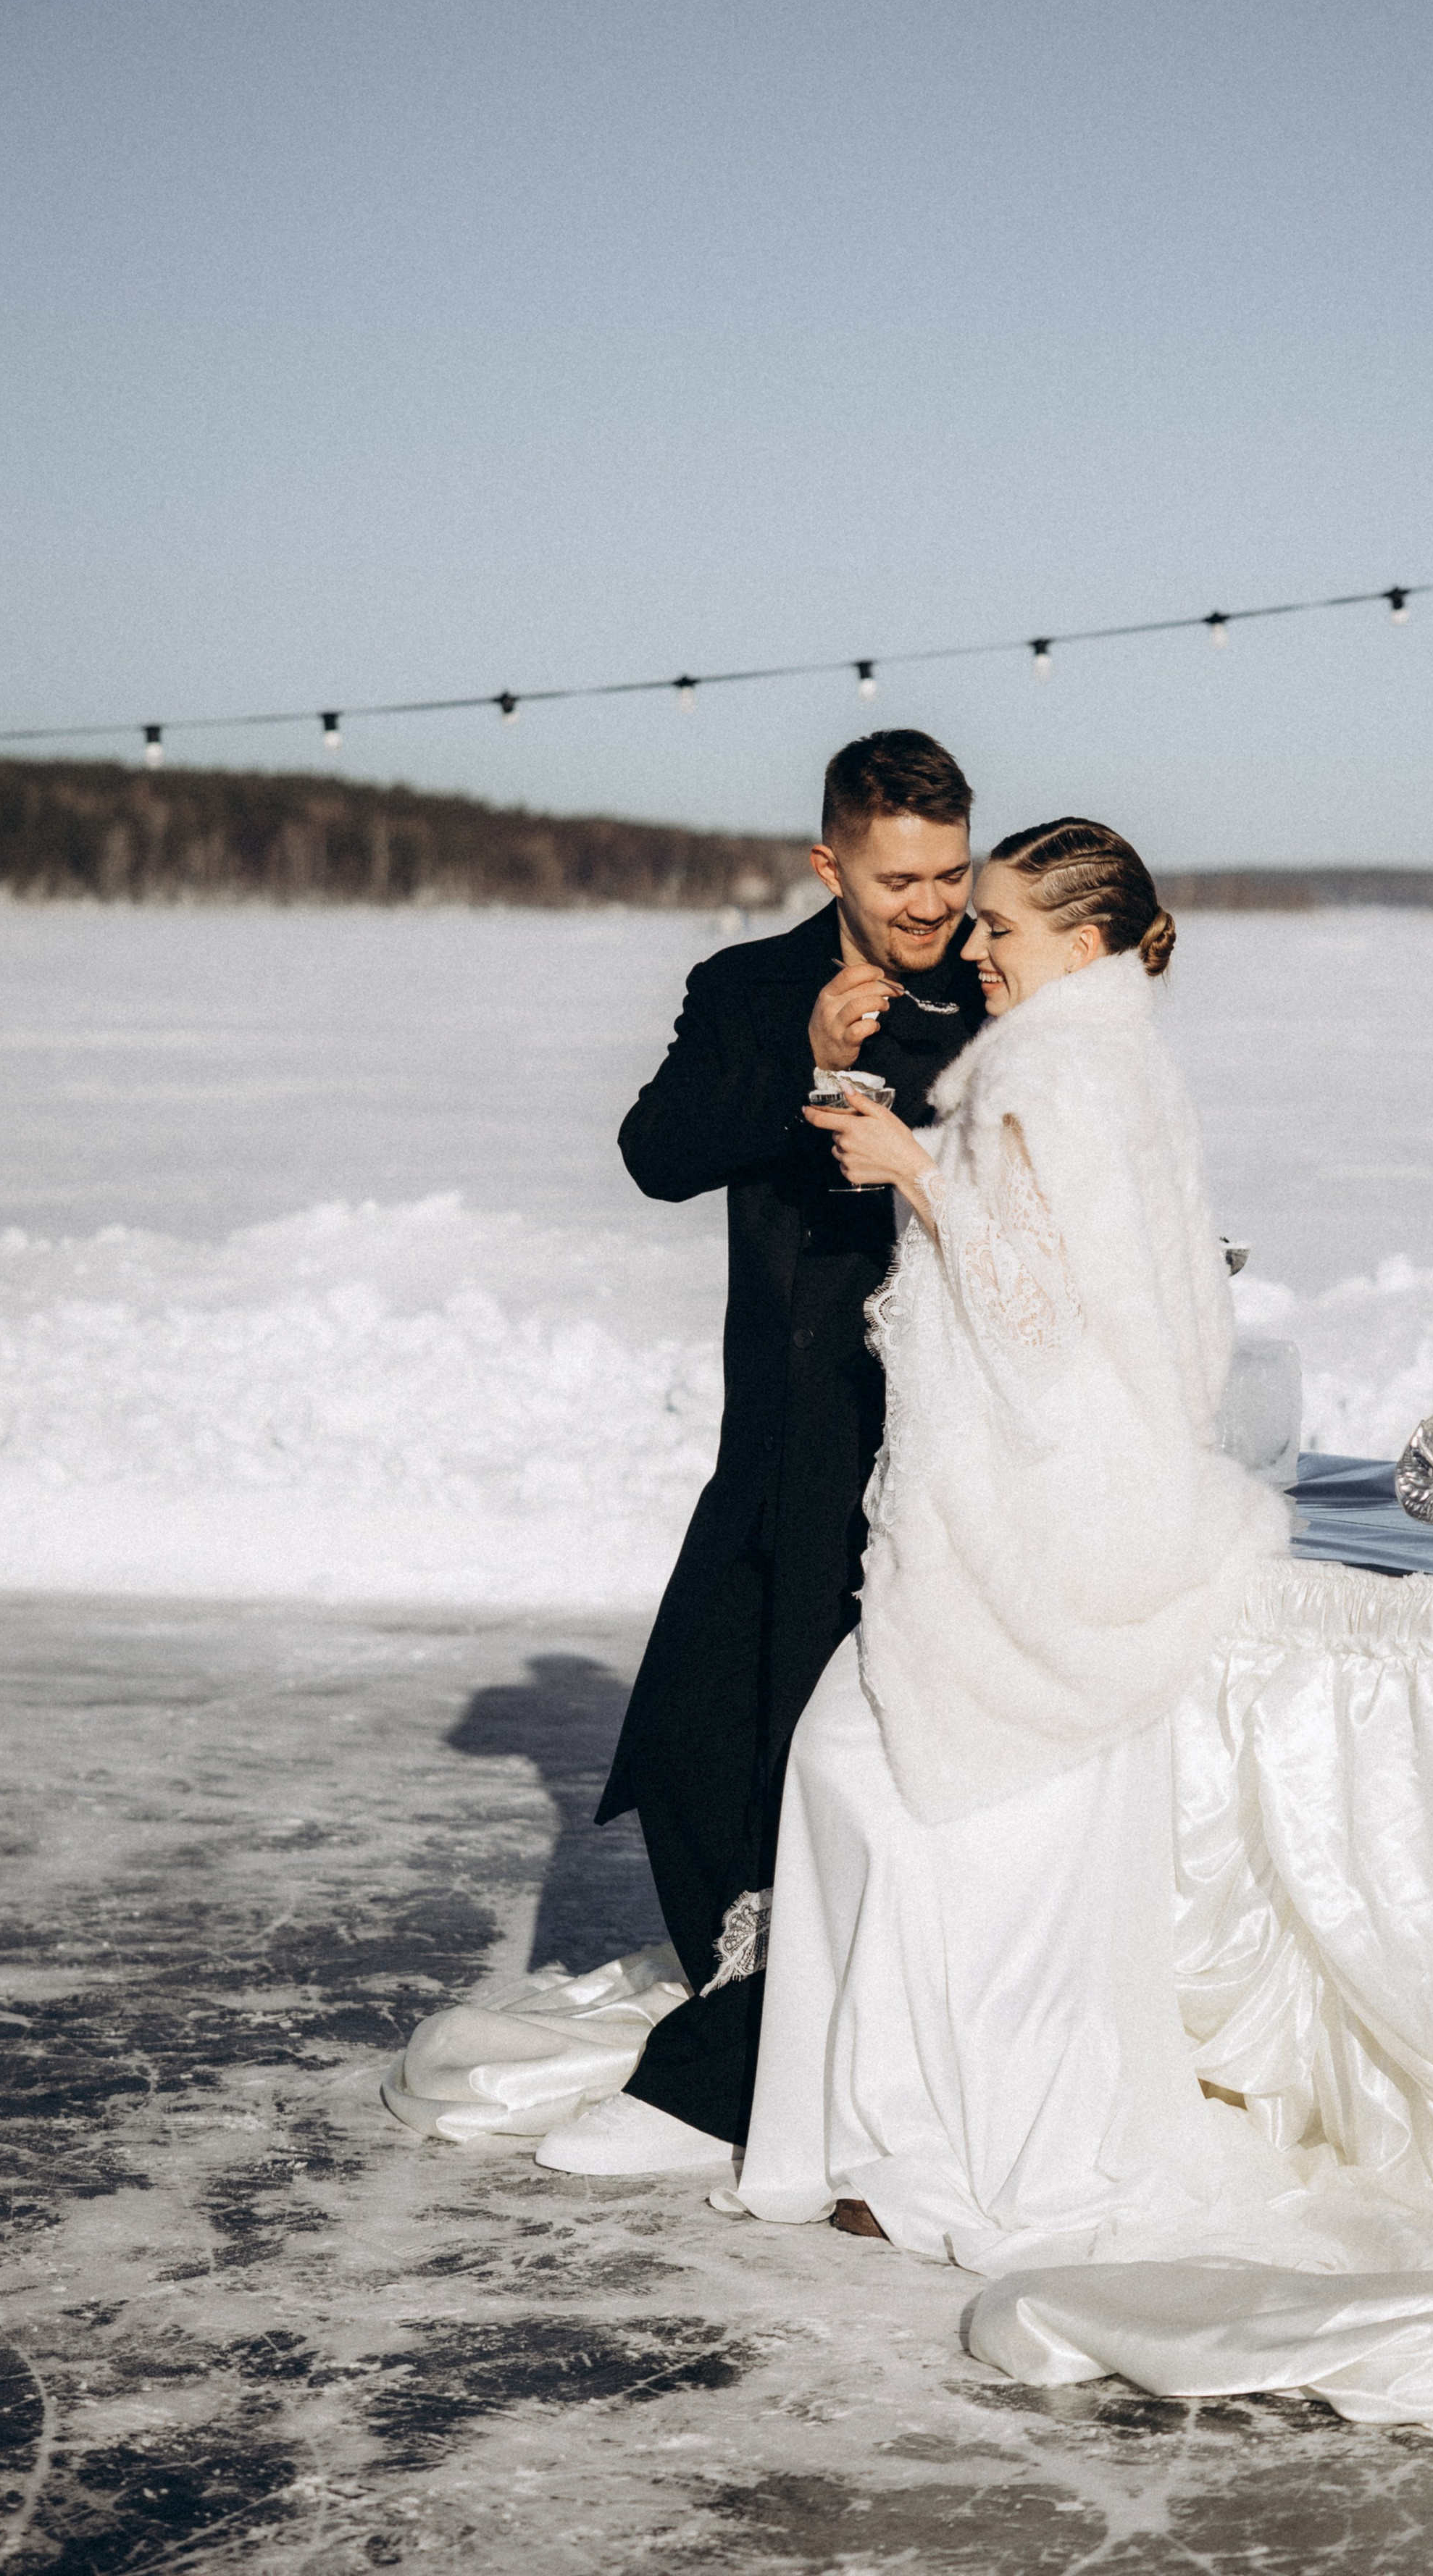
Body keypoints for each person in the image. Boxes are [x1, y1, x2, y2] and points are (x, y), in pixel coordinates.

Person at [733, 816, 1292, 2253]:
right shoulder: (1110, 1056)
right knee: (952, 1806)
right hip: (1071, 1501)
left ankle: (924, 2144)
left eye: (1000, 928)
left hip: (1024, 1512)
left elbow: (1039, 1325)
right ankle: (921, 2127)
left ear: (1083, 940)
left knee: (910, 1796)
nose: (972, 947)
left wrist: (912, 1170)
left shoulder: (1054, 1069)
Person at [536, 729, 985, 2176]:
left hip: (942, 1429)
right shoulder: (744, 988)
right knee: (689, 1732)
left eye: (950, 872)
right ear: (828, 865)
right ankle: (752, 1993)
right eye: (900, 879)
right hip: (781, 1424)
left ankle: (769, 2061)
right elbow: (656, 1154)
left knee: (839, 1741)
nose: (933, 904)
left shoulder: (998, 987)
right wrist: (806, 1063)